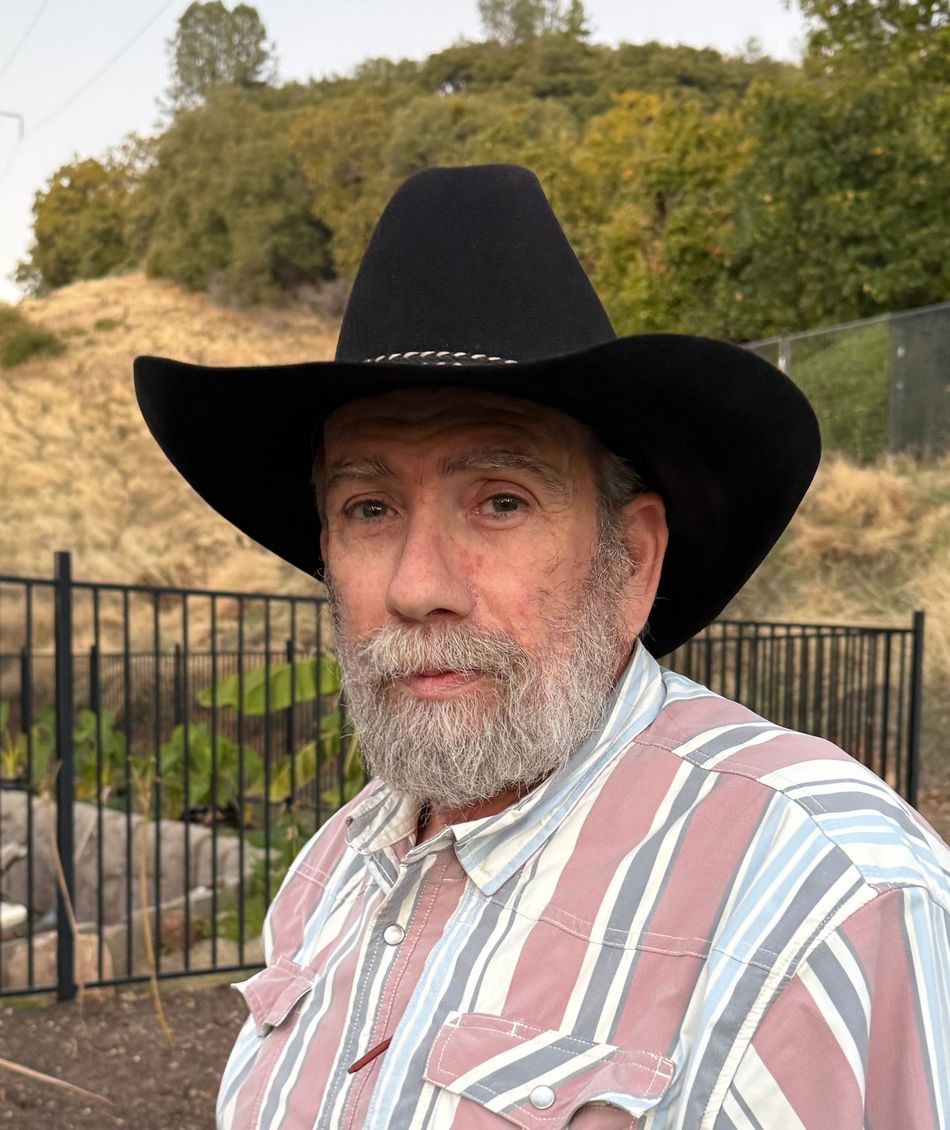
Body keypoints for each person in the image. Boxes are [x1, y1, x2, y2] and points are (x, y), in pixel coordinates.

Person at [135, 164, 949, 1129]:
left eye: (502, 501)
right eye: (369, 508)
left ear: (633, 558)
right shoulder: (341, 862)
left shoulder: (825, 895)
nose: (415, 585)